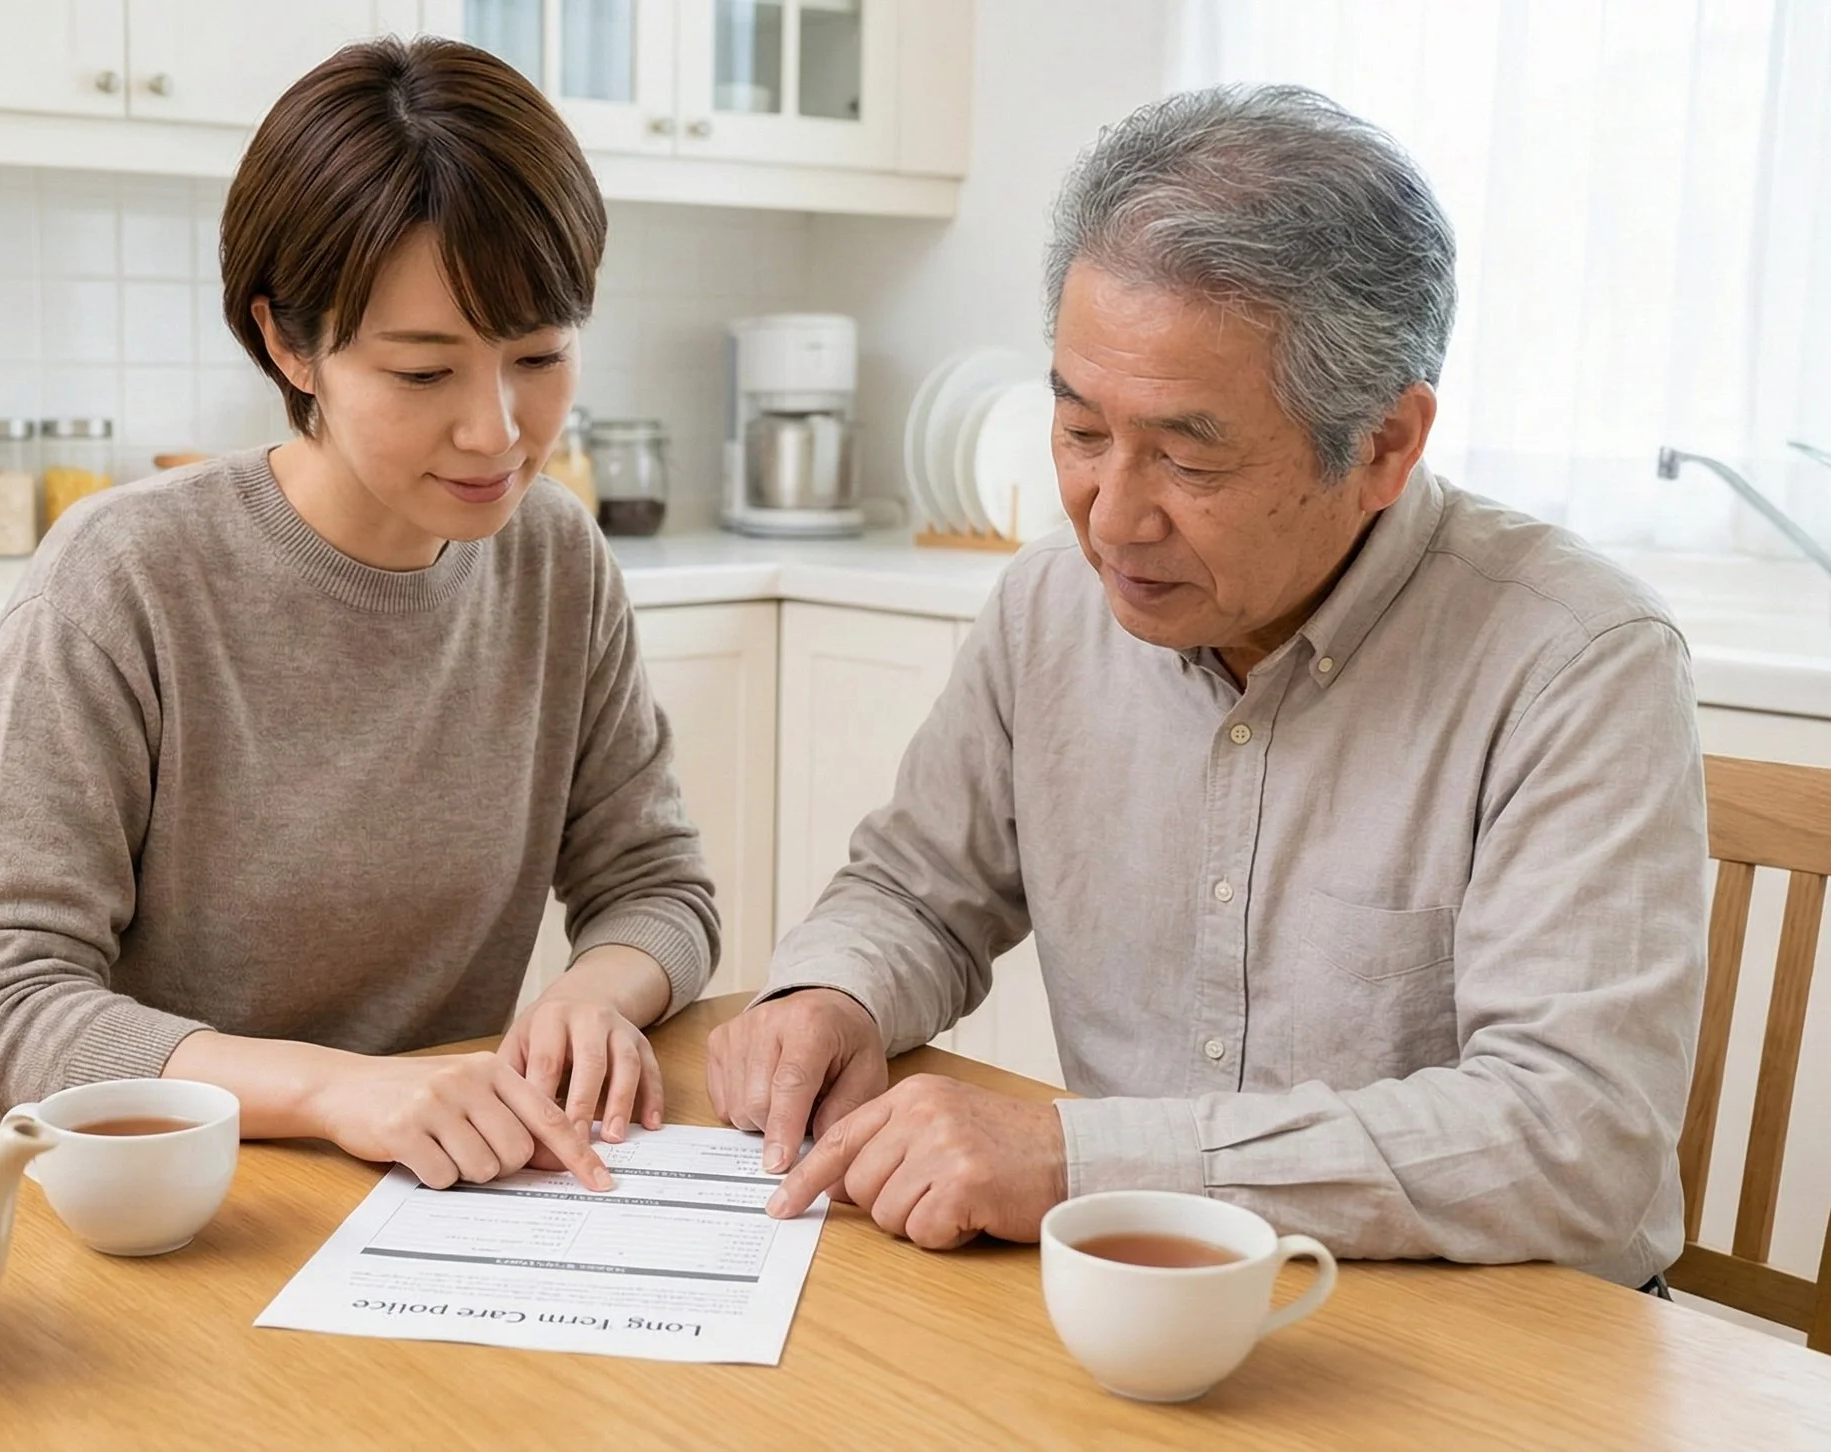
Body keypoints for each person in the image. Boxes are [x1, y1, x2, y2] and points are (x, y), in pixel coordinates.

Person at [708, 85, 1707, 1289]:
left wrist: (1089, 1158)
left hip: (1483, 1333)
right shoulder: (1048, 610)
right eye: (1079, 432)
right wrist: (834, 994)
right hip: (1141, 1298)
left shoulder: (1575, 659)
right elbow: (919, 892)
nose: (1113, 517)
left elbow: (1573, 1136)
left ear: (1384, 445)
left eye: (1188, 456)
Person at [0, 37, 720, 1194]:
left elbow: (658, 888)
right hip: (171, 1210)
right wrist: (337, 1089)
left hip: (444, 1193)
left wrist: (595, 997)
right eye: (420, 373)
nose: (497, 430)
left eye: (538, 356)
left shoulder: (554, 559)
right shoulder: (126, 573)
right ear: (291, 345)